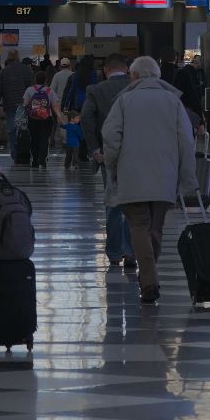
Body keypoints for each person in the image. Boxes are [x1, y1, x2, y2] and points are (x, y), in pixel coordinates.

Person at [102, 57, 197, 305]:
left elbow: (111, 138)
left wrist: (110, 166)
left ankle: (149, 281)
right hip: (165, 177)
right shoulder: (173, 102)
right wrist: (187, 178)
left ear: (134, 76)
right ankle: (149, 278)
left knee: (140, 227)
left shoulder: (124, 101)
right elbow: (186, 141)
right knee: (155, 229)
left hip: (131, 176)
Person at [81, 54, 136, 271]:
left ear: (105, 70)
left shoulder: (96, 90)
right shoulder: (136, 88)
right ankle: (131, 250)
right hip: (135, 154)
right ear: (127, 68)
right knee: (134, 202)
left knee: (113, 201)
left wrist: (95, 149)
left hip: (107, 154)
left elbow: (86, 118)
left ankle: (114, 253)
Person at [0, 51, 35, 159]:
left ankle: (14, 153)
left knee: (11, 130)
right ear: (18, 58)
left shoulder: (3, 72)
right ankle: (25, 152)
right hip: (24, 105)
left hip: (10, 105)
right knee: (24, 128)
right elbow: (32, 88)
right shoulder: (27, 70)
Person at [22, 69, 59, 168]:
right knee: (44, 139)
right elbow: (55, 105)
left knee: (34, 139)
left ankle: (34, 160)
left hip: (33, 118)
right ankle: (42, 158)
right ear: (45, 80)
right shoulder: (49, 90)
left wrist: (23, 115)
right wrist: (59, 116)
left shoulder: (29, 90)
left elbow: (24, 104)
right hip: (46, 119)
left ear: (35, 79)